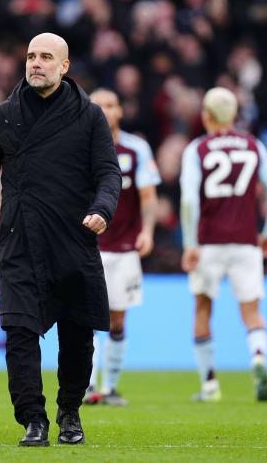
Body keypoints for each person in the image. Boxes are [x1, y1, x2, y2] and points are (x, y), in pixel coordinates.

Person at [0, 33, 121, 447]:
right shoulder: (1, 118)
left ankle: (69, 412)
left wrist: (102, 209)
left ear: (64, 66)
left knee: (78, 332)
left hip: (74, 239)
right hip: (19, 241)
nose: (36, 63)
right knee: (18, 332)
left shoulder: (90, 116)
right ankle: (33, 418)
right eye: (31, 56)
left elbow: (108, 173)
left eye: (46, 57)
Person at [179, 87, 267, 403]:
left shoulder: (197, 149)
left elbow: (188, 201)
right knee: (252, 311)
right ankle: (258, 359)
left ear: (206, 116)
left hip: (209, 242)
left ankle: (210, 385)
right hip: (245, 241)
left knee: (202, 308)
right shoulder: (254, 146)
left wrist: (190, 243)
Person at [83, 89, 160, 407]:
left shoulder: (136, 148)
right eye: (98, 104)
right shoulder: (77, 145)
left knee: (117, 320)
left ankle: (111, 386)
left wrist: (148, 230)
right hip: (87, 246)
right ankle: (86, 386)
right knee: (86, 319)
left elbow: (148, 196)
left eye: (111, 105)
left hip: (125, 246)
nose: (105, 110)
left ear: (120, 112)